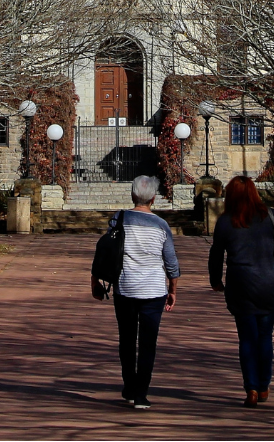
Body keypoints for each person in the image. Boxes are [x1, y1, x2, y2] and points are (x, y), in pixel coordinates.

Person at [208, 174, 274, 408]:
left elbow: (216, 254)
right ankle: (264, 385)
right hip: (268, 283)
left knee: (247, 338)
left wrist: (215, 280)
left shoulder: (226, 221)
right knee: (265, 337)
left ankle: (251, 389)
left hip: (241, 285)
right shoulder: (268, 216)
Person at [92, 174, 179, 408]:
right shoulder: (161, 225)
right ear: (153, 198)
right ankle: (141, 393)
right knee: (148, 343)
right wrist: (173, 289)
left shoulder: (119, 219)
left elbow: (105, 248)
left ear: (132, 195)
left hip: (126, 288)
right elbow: (171, 263)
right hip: (153, 290)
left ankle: (129, 386)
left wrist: (95, 280)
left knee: (127, 340)